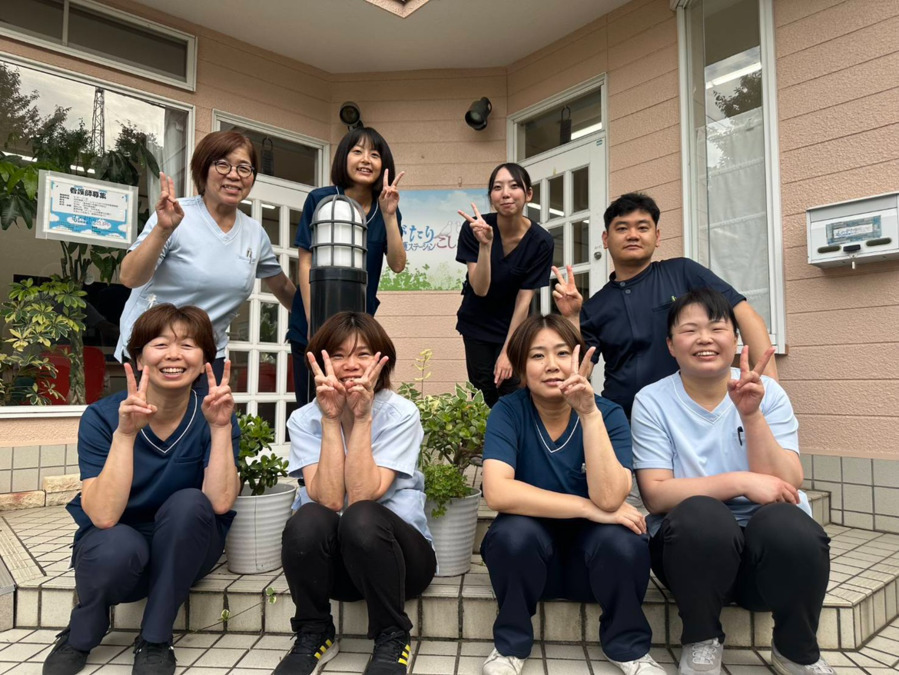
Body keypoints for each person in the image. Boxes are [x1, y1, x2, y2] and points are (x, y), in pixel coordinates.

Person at [631, 288, 831, 675]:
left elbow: (789, 482)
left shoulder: (767, 392)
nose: (704, 339)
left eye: (716, 328)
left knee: (790, 525)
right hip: (691, 558)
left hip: (764, 565)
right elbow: (655, 495)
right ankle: (702, 640)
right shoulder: (652, 401)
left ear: (735, 339)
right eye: (689, 330)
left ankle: (796, 651)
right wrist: (740, 481)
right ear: (670, 345)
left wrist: (751, 415)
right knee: (702, 516)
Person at [44, 304, 240, 675]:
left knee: (190, 503)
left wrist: (219, 429)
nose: (174, 355)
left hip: (185, 545)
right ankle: (83, 631)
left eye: (187, 345)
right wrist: (126, 434)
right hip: (118, 545)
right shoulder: (103, 417)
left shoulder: (215, 413)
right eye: (160, 344)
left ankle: (155, 639)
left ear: (204, 361)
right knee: (116, 546)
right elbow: (102, 516)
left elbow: (219, 502)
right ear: (138, 358)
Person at [479, 314, 664, 675]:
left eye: (562, 353)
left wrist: (589, 413)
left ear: (581, 360)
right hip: (532, 561)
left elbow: (610, 499)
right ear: (520, 366)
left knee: (625, 539)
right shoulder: (509, 412)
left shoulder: (608, 413)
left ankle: (627, 647)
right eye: (537, 355)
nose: (552, 365)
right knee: (511, 534)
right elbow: (497, 492)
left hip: (591, 566)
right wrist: (584, 507)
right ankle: (510, 644)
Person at [276, 312, 435, 675]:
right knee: (308, 517)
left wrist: (362, 418)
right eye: (338, 355)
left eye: (363, 354)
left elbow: (364, 494)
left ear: (382, 361)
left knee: (361, 515)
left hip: (403, 564)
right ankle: (314, 632)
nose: (350, 365)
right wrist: (331, 419)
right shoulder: (305, 419)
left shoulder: (400, 413)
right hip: (339, 572)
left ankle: (392, 636)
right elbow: (330, 500)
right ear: (321, 363)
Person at [552, 192, 775, 418]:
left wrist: (771, 394)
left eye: (642, 228)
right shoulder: (595, 306)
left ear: (657, 236)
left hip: (692, 413)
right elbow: (581, 368)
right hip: (624, 418)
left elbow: (746, 316)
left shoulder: (683, 272)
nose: (632, 235)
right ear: (605, 239)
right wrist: (572, 317)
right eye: (622, 228)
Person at [116, 130, 296, 388]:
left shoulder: (255, 234)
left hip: (208, 353)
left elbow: (282, 287)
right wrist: (163, 230)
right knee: (152, 414)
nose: (233, 175)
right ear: (203, 169)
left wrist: (316, 322)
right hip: (154, 348)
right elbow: (130, 277)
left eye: (244, 168)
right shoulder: (175, 216)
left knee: (212, 413)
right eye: (222, 165)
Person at [287, 127, 407, 405]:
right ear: (344, 157)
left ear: (383, 164)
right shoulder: (320, 200)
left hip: (358, 326)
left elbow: (398, 264)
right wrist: (313, 322)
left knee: (355, 403)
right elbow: (305, 262)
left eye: (374, 154)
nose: (366, 160)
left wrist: (389, 215)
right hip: (312, 322)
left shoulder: (387, 207)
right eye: (357, 151)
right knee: (312, 405)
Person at [455, 162, 554, 407]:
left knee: (513, 391)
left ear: (528, 194)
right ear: (491, 196)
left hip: (514, 327)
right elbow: (480, 289)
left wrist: (508, 351)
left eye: (514, 186)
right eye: (498, 188)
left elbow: (524, 299)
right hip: (476, 324)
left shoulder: (541, 241)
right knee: (483, 392)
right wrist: (485, 246)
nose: (505, 194)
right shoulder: (474, 229)